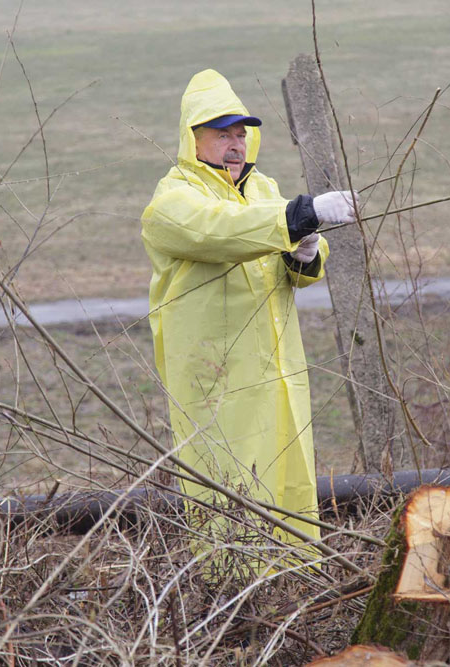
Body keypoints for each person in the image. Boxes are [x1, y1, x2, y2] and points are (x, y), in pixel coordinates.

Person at [140, 69, 356, 566]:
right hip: (218, 384)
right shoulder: (172, 201)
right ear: (192, 138)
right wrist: (298, 217)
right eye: (221, 134)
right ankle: (235, 602)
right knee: (229, 493)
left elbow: (292, 257)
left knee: (290, 492)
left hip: (278, 378)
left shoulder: (262, 190)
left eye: (240, 133)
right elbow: (221, 232)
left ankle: (295, 591)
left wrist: (304, 252)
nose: (235, 144)